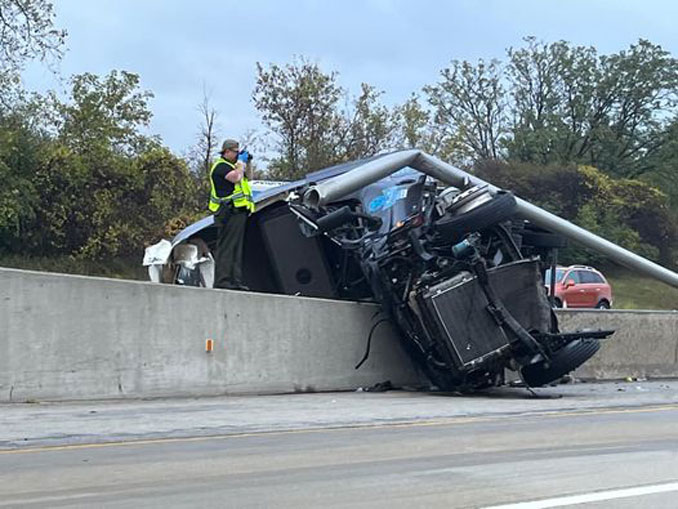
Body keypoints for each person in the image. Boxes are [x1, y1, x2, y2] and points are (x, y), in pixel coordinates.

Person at [208, 139, 255, 289]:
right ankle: (223, 281)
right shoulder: (221, 166)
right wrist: (240, 163)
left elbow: (249, 178)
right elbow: (236, 178)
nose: (237, 155)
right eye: (235, 152)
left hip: (239, 212)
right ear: (227, 151)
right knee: (227, 248)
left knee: (236, 248)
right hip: (228, 212)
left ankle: (236, 281)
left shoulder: (233, 166)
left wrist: (247, 162)